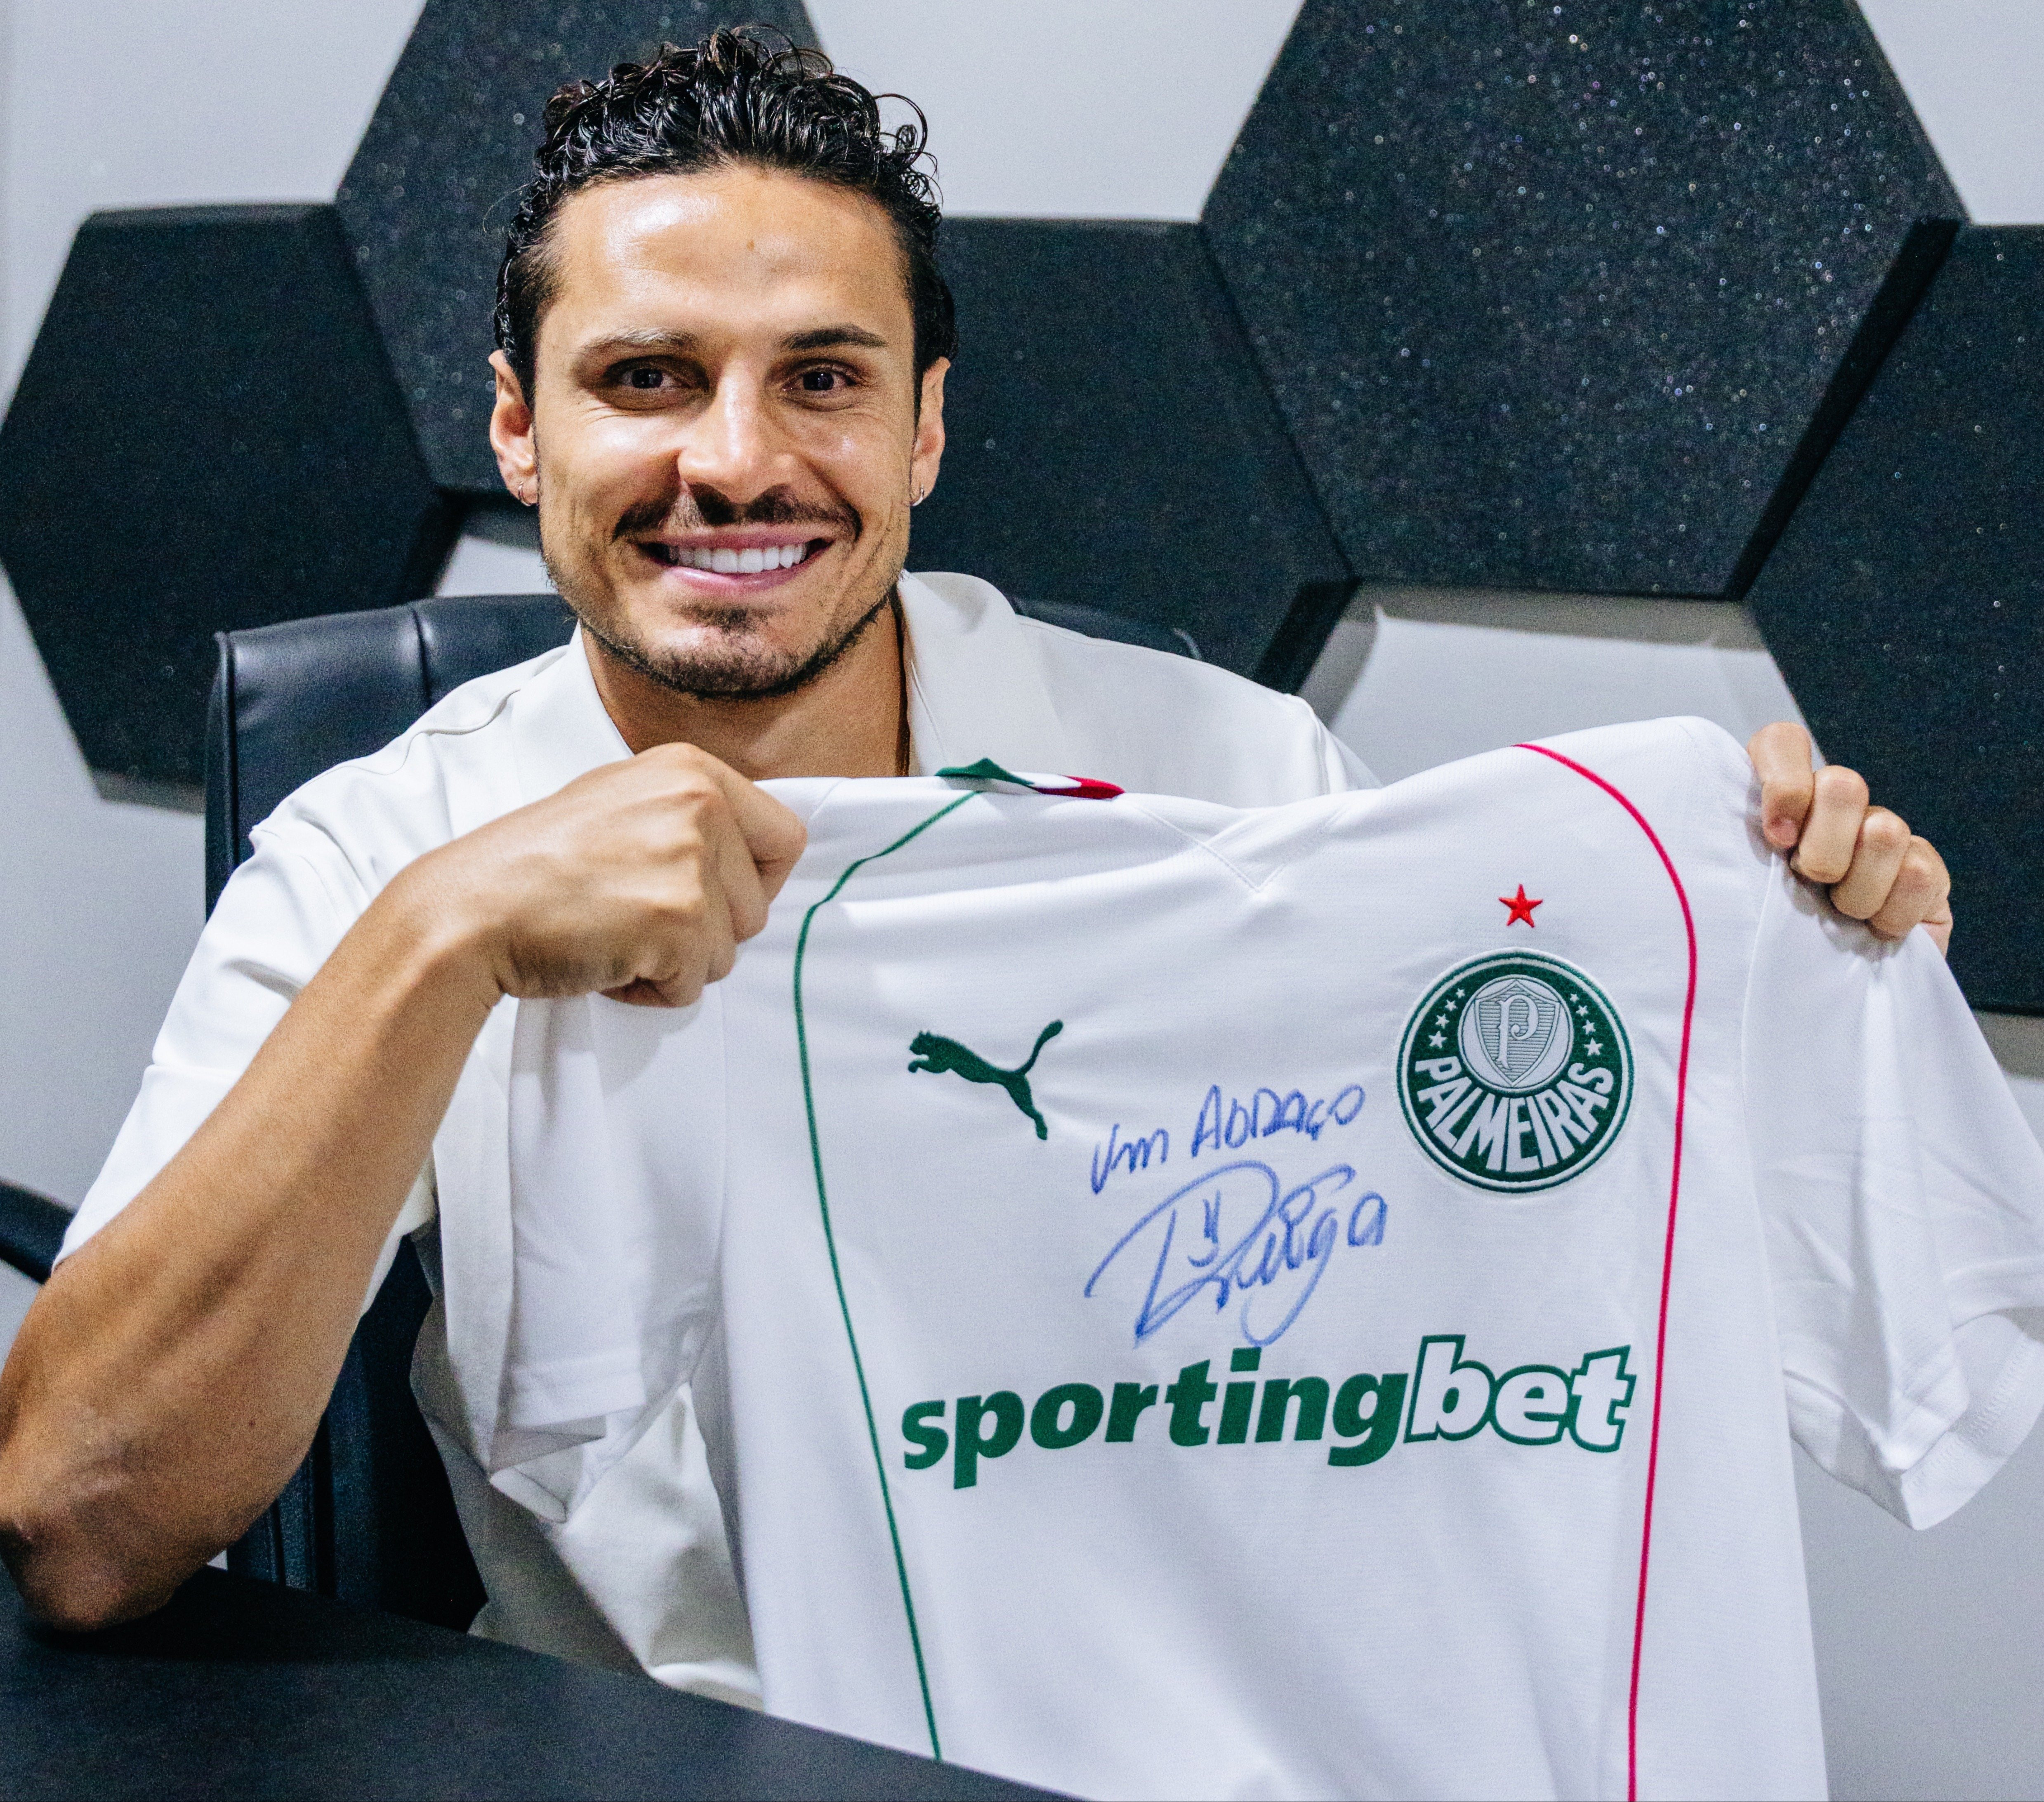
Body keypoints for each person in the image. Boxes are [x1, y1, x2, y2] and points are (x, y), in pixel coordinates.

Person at [0, 30, 1952, 1689]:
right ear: (521, 430)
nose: (737, 460)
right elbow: (81, 1521)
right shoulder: (387, 849)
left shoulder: (1238, 779)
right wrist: (443, 939)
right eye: (648, 376)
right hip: (681, 1759)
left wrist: (1792, 947)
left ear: (927, 431)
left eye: (824, 377)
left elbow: (1515, 1260)